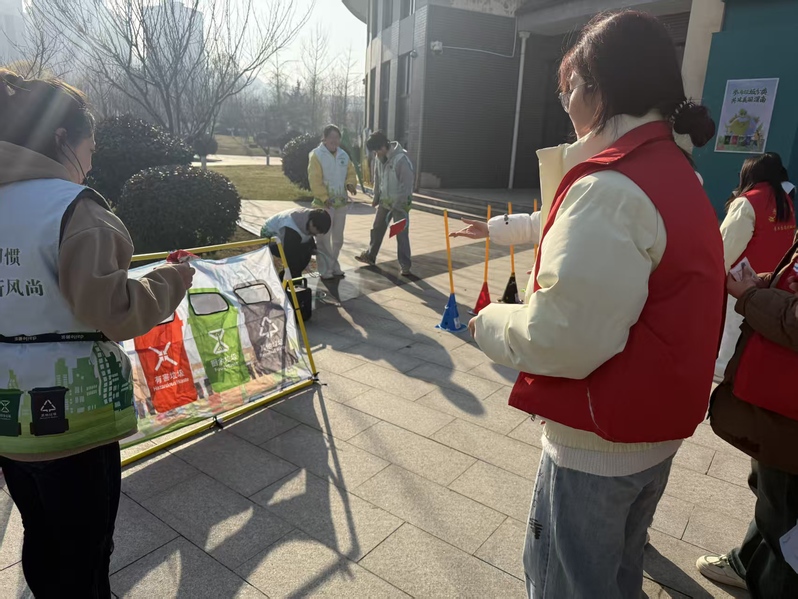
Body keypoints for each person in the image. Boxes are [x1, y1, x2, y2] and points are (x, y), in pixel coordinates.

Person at [451, 11, 724, 597]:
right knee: (617, 579)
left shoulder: (611, 189)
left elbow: (562, 338)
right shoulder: (677, 174)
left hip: (599, 444)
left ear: (602, 90)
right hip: (653, 432)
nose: (567, 104)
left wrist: (489, 322)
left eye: (571, 88)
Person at [0, 70, 193, 597]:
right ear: (63, 138)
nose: (91, 163)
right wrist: (172, 279)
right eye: (91, 149)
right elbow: (115, 311)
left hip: (8, 419)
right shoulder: (73, 207)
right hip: (75, 425)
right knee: (86, 553)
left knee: (40, 535)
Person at [697, 243, 798, 597]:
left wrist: (751, 295)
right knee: (773, 496)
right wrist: (770, 282)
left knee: (784, 514)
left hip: (789, 413)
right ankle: (747, 563)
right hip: (779, 410)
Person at [714, 153, 795, 381]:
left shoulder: (748, 202)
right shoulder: (784, 201)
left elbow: (726, 246)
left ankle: (723, 371)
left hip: (741, 280)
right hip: (770, 281)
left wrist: (713, 274)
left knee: (732, 329)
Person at [355, 131, 414, 276]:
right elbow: (377, 178)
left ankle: (405, 265)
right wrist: (376, 197)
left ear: (383, 146)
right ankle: (370, 255)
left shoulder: (401, 159)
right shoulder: (379, 158)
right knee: (377, 228)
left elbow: (407, 185)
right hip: (385, 201)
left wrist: (400, 203)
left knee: (401, 234)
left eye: (377, 150)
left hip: (400, 204)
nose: (376, 154)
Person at [308, 124, 357, 280]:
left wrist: (350, 184)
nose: (334, 140)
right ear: (324, 138)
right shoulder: (316, 155)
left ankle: (333, 265)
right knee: (323, 239)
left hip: (340, 204)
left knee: (338, 239)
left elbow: (350, 172)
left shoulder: (343, 155)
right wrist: (324, 197)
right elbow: (314, 180)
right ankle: (325, 269)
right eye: (331, 137)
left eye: (337, 137)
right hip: (324, 205)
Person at [261, 207, 332, 279]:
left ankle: (291, 276)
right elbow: (289, 252)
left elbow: (307, 238)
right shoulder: (291, 226)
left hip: (288, 237)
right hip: (270, 238)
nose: (315, 235)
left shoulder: (310, 218)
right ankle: (288, 278)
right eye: (316, 231)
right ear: (312, 223)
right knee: (295, 256)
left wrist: (312, 247)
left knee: (305, 253)